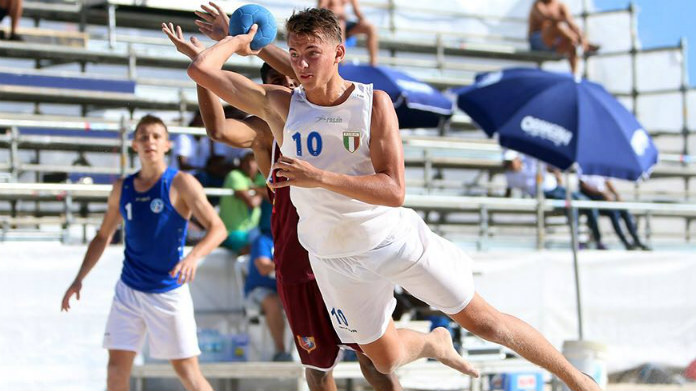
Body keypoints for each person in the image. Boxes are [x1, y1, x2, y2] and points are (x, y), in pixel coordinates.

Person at [167, 7, 600, 390]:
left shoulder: (373, 104)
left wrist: (317, 177)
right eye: (293, 54)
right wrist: (239, 41)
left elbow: (394, 191)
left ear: (340, 54)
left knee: (486, 322)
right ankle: (432, 342)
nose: (299, 64)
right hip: (332, 258)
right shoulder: (281, 105)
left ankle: (577, 380)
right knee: (384, 358)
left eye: (310, 53)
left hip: (392, 240)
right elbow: (203, 72)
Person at [166, 11, 402, 389]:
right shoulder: (265, 132)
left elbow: (299, 68)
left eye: (293, 79)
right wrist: (211, 65)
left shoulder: (332, 114)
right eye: (280, 83)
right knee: (318, 366)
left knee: (376, 360)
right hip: (296, 255)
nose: (291, 85)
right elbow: (217, 129)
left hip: (344, 247)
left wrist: (249, 41)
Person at [60, 115, 227, 391]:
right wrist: (79, 278)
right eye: (143, 136)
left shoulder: (181, 183)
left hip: (168, 289)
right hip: (129, 290)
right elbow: (103, 236)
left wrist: (193, 256)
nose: (150, 141)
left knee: (188, 373)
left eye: (156, 136)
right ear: (134, 145)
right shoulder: (121, 188)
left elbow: (218, 229)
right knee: (115, 371)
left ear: (167, 145)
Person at [504, 151, 608, 250]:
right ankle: (578, 241)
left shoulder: (530, 163)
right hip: (546, 194)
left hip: (555, 188)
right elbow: (510, 190)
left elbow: (548, 167)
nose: (511, 164)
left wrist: (556, 174)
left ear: (517, 159)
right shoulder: (511, 175)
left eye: (512, 161)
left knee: (588, 204)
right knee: (572, 208)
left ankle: (597, 239)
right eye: (509, 162)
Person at [245, 231, 293, 361]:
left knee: (307, 300)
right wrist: (290, 267)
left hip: (286, 289)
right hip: (260, 290)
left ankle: (311, 351)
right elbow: (263, 267)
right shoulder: (263, 240)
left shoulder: (295, 238)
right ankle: (281, 352)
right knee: (272, 302)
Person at [579, 174, 650, 250]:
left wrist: (617, 196)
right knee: (614, 214)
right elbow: (583, 186)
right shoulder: (584, 170)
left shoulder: (599, 168)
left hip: (603, 197)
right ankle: (625, 242)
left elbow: (607, 182)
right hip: (592, 198)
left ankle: (636, 239)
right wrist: (601, 193)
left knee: (624, 212)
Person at [528, 0, 599, 74]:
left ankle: (574, 76)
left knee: (572, 44)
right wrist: (564, 19)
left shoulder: (560, 6)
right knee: (557, 26)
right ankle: (584, 45)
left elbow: (572, 24)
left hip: (555, 42)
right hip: (538, 41)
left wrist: (580, 35)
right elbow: (546, 18)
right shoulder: (538, 5)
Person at [219, 150, 266, 253]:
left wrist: (255, 189)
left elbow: (272, 195)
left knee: (264, 246)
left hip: (251, 232)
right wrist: (260, 190)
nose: (250, 164)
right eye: (246, 161)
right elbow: (253, 203)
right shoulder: (234, 175)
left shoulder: (259, 178)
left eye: (253, 160)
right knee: (259, 249)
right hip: (231, 232)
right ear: (241, 163)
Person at [318, 0, 378, 66]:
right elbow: (321, 9)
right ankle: (342, 62)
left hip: (345, 22)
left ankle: (373, 63)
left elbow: (356, 10)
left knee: (370, 28)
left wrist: (363, 20)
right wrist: (336, 15)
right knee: (341, 24)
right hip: (331, 22)